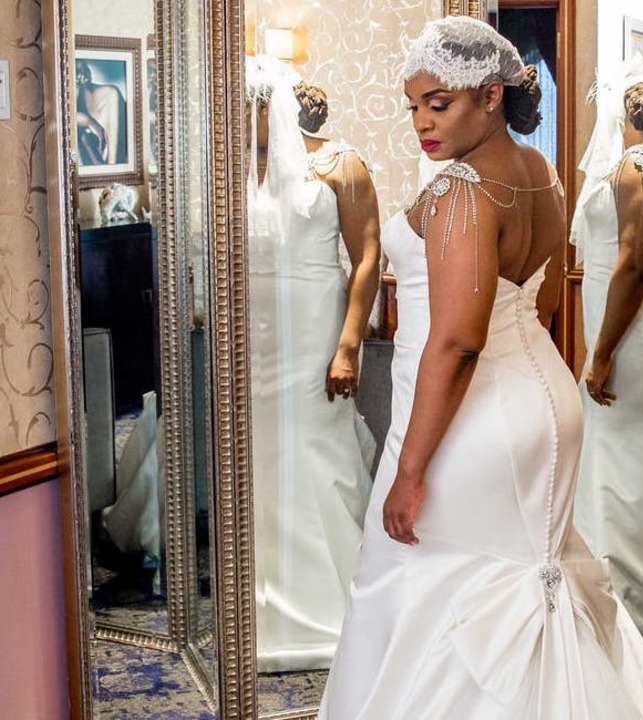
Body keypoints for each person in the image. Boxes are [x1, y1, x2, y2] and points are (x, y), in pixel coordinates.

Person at [318, 17, 643, 719]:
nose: (422, 122)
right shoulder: (537, 171)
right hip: (542, 394)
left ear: (490, 96)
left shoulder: (460, 187)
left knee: (427, 584)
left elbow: (457, 343)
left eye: (440, 103)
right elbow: (541, 298)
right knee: (511, 581)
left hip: (473, 417)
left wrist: (411, 469)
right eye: (414, 105)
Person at [245, 55, 381, 673]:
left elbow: (367, 258)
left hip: (315, 324)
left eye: (253, 106)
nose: (245, 119)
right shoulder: (240, 169)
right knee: (261, 458)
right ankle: (263, 600)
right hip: (258, 332)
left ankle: (334, 602)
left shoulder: (341, 165)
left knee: (317, 447)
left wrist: (348, 344)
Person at [570, 62, 643, 665]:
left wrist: (602, 352)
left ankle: (630, 617)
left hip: (633, 334)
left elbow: (635, 265)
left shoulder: (640, 166)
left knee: (619, 458)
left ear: (624, 114)